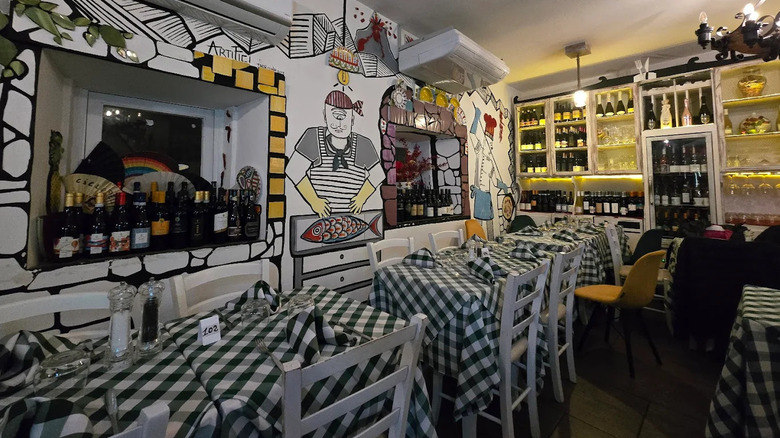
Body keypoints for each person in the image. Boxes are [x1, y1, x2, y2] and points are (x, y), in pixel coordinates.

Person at [288, 91, 384, 218]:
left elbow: (378, 175)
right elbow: (293, 170)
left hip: (353, 219)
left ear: (352, 120)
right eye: (334, 119)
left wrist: (361, 197)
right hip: (319, 220)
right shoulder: (313, 137)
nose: (339, 125)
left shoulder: (363, 144)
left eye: (343, 120)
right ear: (325, 116)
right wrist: (314, 201)